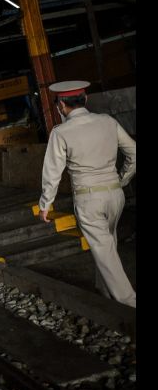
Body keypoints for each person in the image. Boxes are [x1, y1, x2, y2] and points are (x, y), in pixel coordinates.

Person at [38, 80, 136, 308]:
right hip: (115, 195)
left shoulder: (61, 132)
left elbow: (52, 171)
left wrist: (46, 204)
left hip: (88, 199)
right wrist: (122, 179)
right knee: (107, 245)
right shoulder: (107, 121)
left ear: (61, 105)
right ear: (86, 100)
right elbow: (134, 152)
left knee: (104, 250)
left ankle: (129, 303)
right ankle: (103, 290)